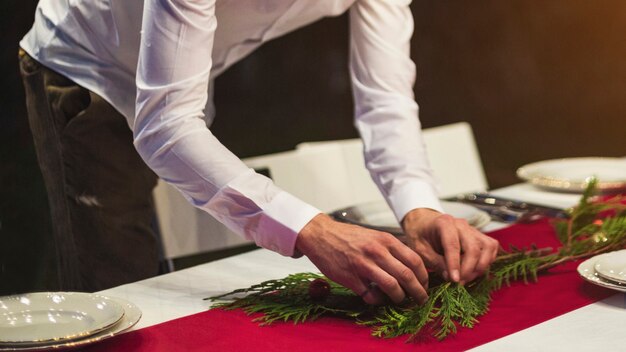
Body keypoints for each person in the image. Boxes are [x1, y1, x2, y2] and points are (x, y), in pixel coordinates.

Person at [19, 0, 499, 303]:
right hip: (88, 62)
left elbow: (386, 98)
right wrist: (316, 232)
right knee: (117, 290)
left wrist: (419, 208)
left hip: (179, 69)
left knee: (172, 283)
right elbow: (165, 126)